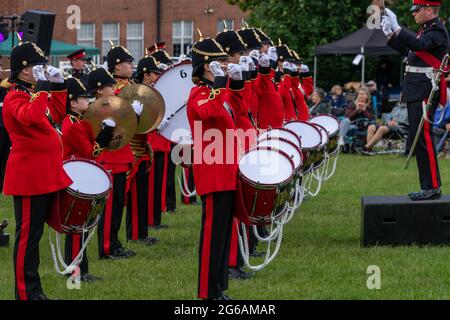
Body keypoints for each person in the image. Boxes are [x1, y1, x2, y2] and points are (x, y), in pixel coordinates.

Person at [3, 40, 72, 300]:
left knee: (36, 237)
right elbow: (30, 117)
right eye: (38, 67)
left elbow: (55, 113)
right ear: (23, 70)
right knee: (27, 239)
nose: (42, 70)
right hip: (29, 178)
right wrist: (43, 90)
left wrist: (58, 86)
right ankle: (25, 293)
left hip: (44, 175)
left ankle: (34, 291)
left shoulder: (32, 95)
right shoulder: (14, 98)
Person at [187, 33, 243, 300]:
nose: (224, 66)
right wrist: (221, 85)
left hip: (227, 171)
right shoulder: (198, 94)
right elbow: (208, 113)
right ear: (207, 66)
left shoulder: (215, 93)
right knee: (212, 234)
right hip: (212, 172)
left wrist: (237, 84)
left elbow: (237, 115)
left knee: (222, 234)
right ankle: (206, 293)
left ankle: (219, 287)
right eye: (220, 63)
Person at [382, 0, 448, 200]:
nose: (414, 14)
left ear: (429, 10)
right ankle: (429, 186)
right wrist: (390, 35)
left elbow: (418, 45)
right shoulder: (425, 31)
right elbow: (410, 52)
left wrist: (398, 28)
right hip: (417, 89)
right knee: (418, 138)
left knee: (423, 138)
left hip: (425, 90)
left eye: (417, 10)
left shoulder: (437, 31)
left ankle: (432, 187)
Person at [62, 77, 115, 282]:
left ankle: (81, 270)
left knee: (82, 226)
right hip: (76, 177)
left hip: (79, 174)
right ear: (73, 102)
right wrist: (106, 132)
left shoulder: (77, 121)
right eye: (84, 97)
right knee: (77, 227)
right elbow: (91, 152)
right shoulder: (72, 124)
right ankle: (75, 273)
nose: (89, 100)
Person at [87, 65, 135, 259]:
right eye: (110, 86)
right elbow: (99, 140)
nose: (114, 89)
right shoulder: (96, 110)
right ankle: (107, 247)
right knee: (108, 211)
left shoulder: (112, 107)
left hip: (120, 161)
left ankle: (114, 243)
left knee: (117, 208)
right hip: (108, 162)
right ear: (99, 90)